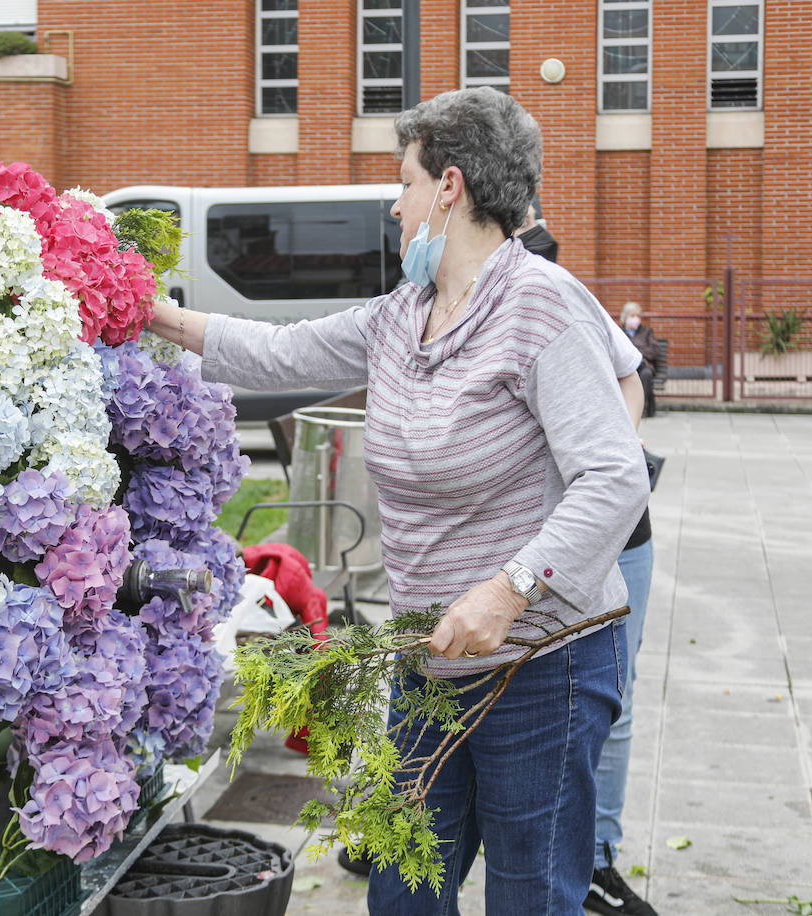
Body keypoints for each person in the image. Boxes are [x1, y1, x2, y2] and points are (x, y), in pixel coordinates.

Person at [149, 87, 649, 912]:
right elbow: (279, 352)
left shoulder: (540, 305)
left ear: (450, 188)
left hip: (540, 666)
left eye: (405, 181)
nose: (395, 201)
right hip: (426, 662)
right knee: (402, 891)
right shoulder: (404, 312)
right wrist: (155, 317)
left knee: (532, 896)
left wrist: (508, 587)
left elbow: (614, 476)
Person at [519, 214, 659, 916]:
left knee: (609, 705)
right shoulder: (442, 293)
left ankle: (598, 857)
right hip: (519, 549)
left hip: (611, 536)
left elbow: (636, 382)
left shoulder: (551, 288)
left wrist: (602, 455)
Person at [619, 301, 663, 417]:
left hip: (644, 366)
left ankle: (639, 409)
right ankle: (623, 410)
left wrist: (636, 351)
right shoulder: (619, 333)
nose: (636, 319)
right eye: (632, 316)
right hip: (625, 366)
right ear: (625, 317)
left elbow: (655, 351)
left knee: (646, 374)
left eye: (638, 316)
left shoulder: (647, 332)